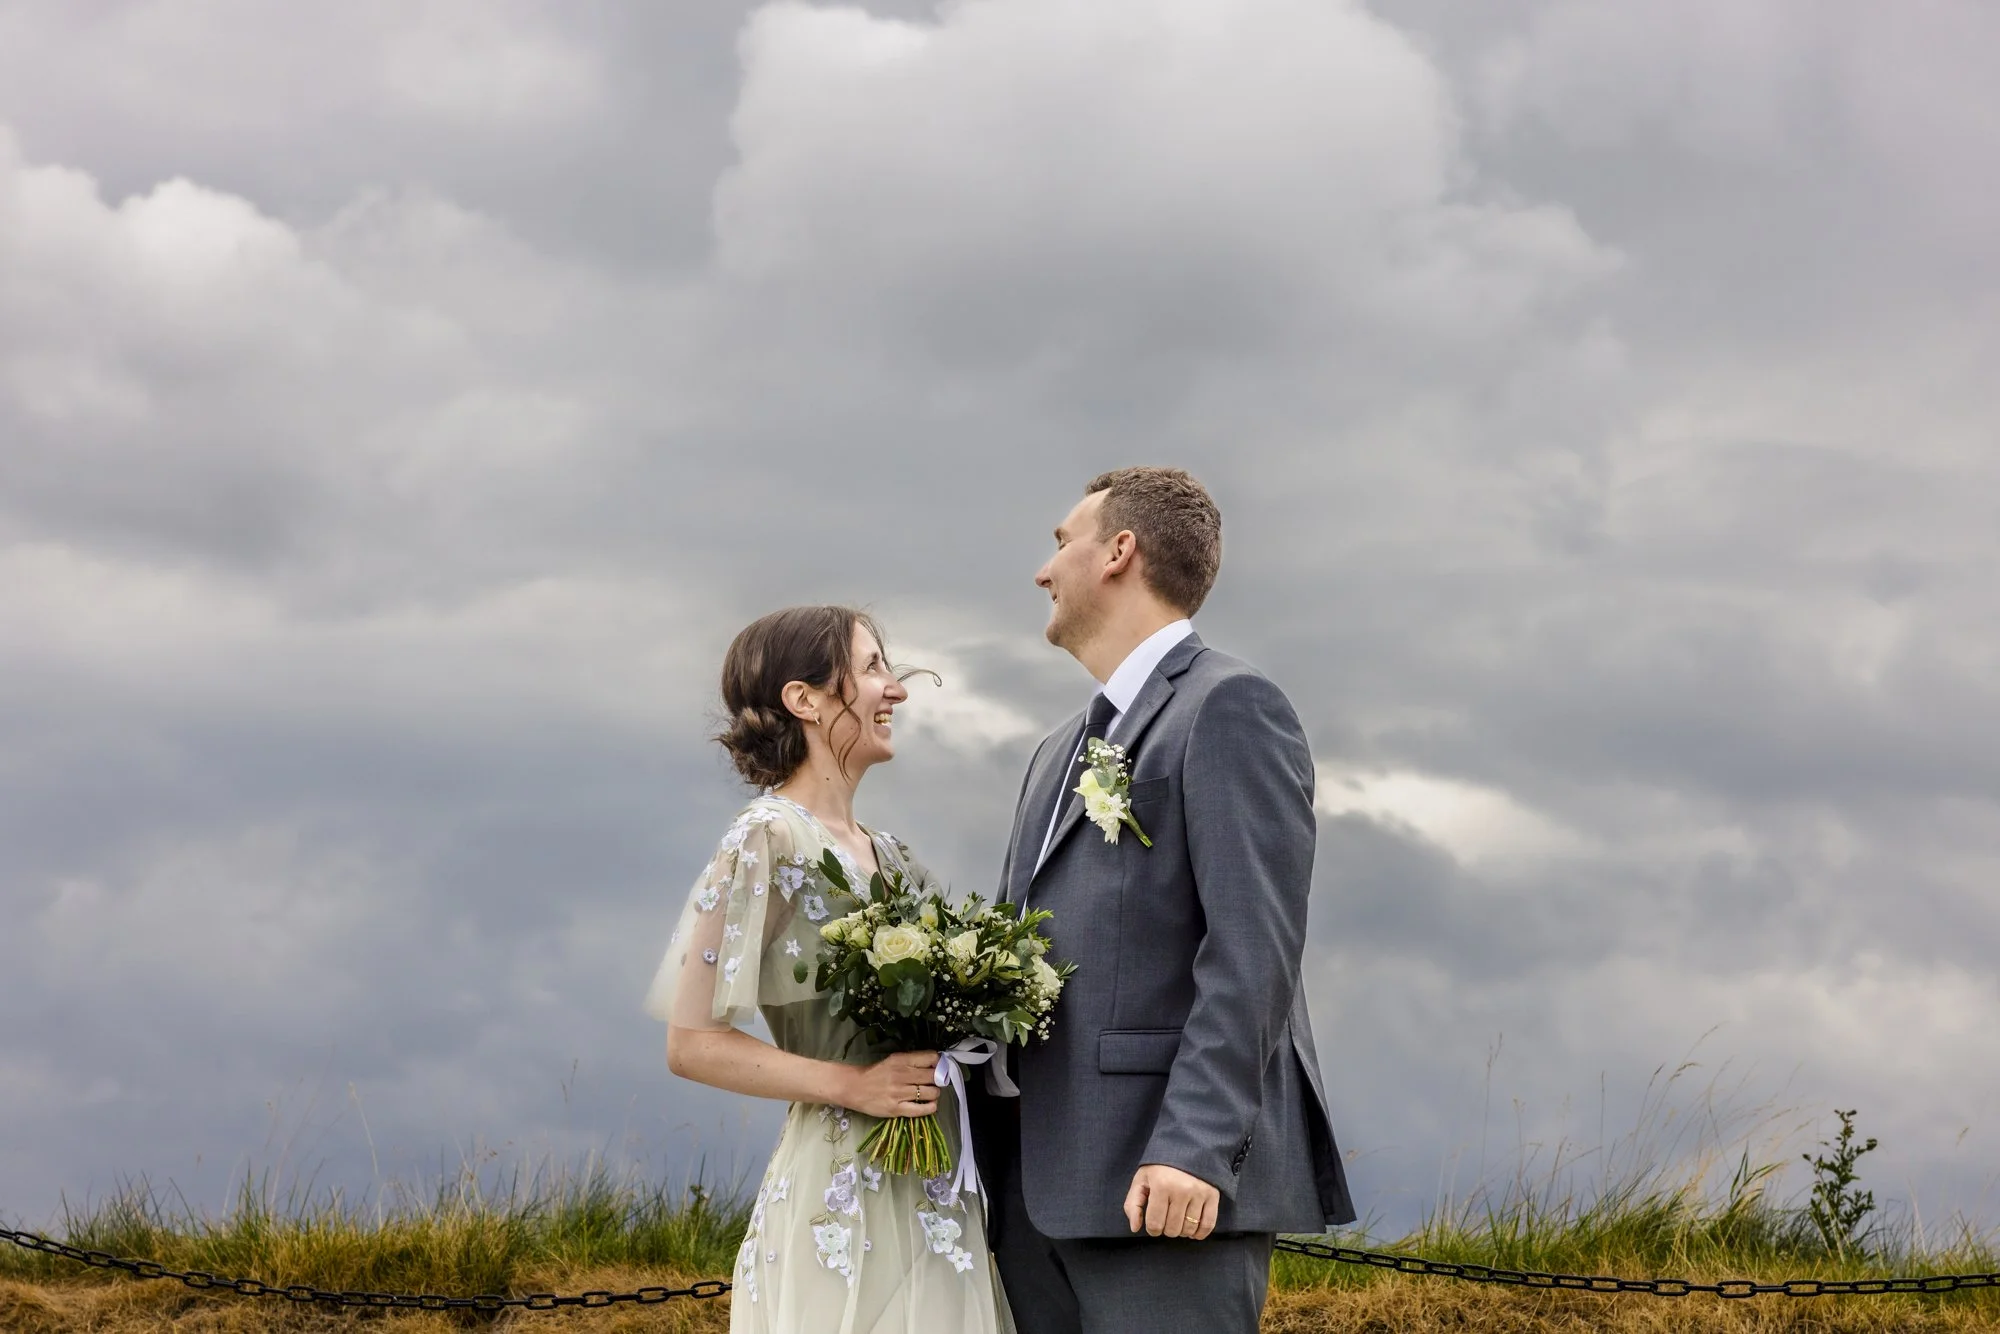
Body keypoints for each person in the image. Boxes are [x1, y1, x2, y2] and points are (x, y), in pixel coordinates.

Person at [972, 467, 1355, 1333]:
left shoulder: (1229, 707)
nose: (1044, 569)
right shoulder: (1052, 752)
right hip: (1033, 1198)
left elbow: (1252, 951)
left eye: (1060, 541)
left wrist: (1195, 1149)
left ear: (1119, 552)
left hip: (1164, 1191)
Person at [645, 606, 1014, 1333]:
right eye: (874, 668)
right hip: (841, 1192)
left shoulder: (896, 856)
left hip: (940, 1186)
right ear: (804, 698)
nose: (896, 691)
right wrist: (853, 1084)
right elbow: (690, 1043)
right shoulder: (766, 838)